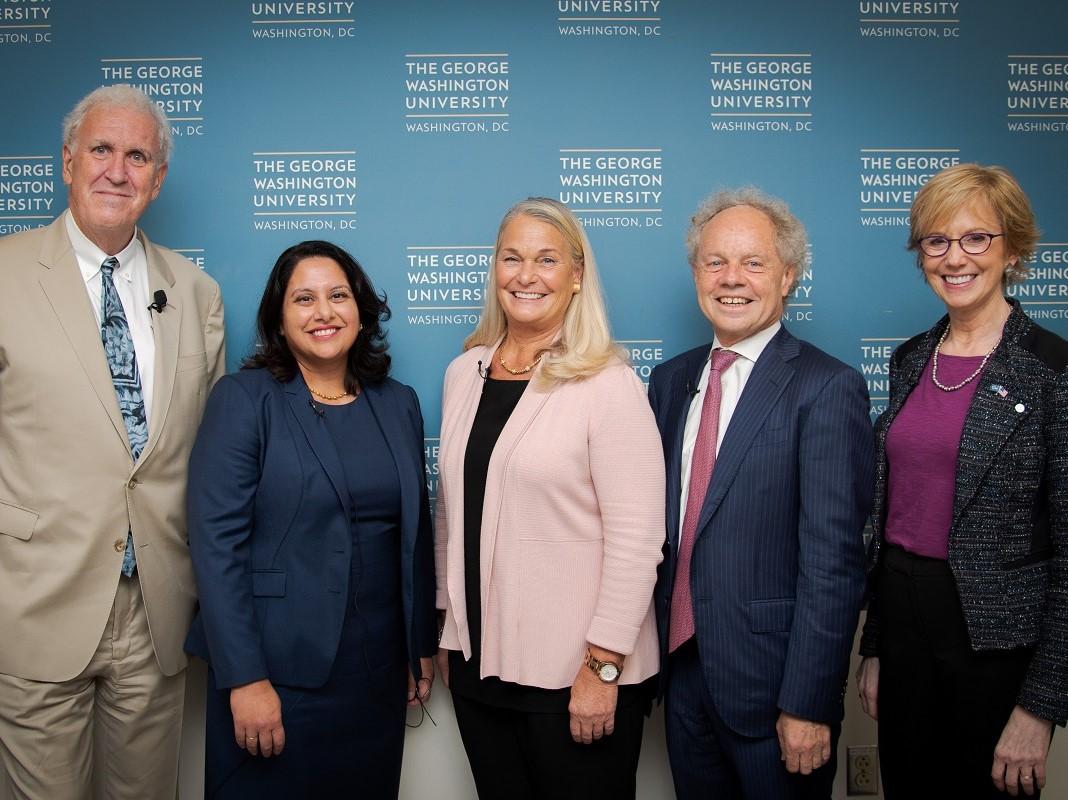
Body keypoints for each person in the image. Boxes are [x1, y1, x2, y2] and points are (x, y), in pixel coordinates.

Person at [0, 84, 225, 799]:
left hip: (155, 612)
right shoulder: (4, 274)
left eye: (138, 156)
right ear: (67, 161)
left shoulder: (196, 293)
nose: (117, 170)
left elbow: (207, 455)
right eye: (101, 149)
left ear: (158, 180)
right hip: (33, 604)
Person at [184, 240, 436, 798]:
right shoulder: (245, 400)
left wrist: (420, 643)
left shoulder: (398, 403)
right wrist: (244, 678)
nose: (324, 312)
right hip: (275, 672)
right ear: (278, 317)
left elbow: (413, 534)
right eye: (304, 298)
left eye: (338, 295)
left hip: (376, 674)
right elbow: (214, 545)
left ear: (362, 309)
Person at [434, 197, 665, 799]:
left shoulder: (607, 382)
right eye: (512, 258)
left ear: (577, 274)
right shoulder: (466, 372)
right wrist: (446, 626)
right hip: (478, 667)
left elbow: (638, 542)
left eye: (546, 259)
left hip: (575, 678)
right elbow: (450, 514)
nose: (526, 275)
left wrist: (602, 667)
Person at [648, 187, 873, 799]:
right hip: (683, 674)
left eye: (753, 262)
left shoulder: (827, 388)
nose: (731, 279)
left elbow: (834, 566)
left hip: (776, 692)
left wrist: (809, 704)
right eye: (715, 261)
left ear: (788, 275)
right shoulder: (670, 382)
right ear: (696, 272)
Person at [856, 164, 1067, 798]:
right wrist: (877, 646)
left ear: (1013, 249)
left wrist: (1040, 708)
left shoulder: (1051, 371)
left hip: (999, 651)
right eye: (936, 241)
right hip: (905, 623)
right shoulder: (910, 358)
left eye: (977, 238)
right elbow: (895, 516)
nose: (955, 258)